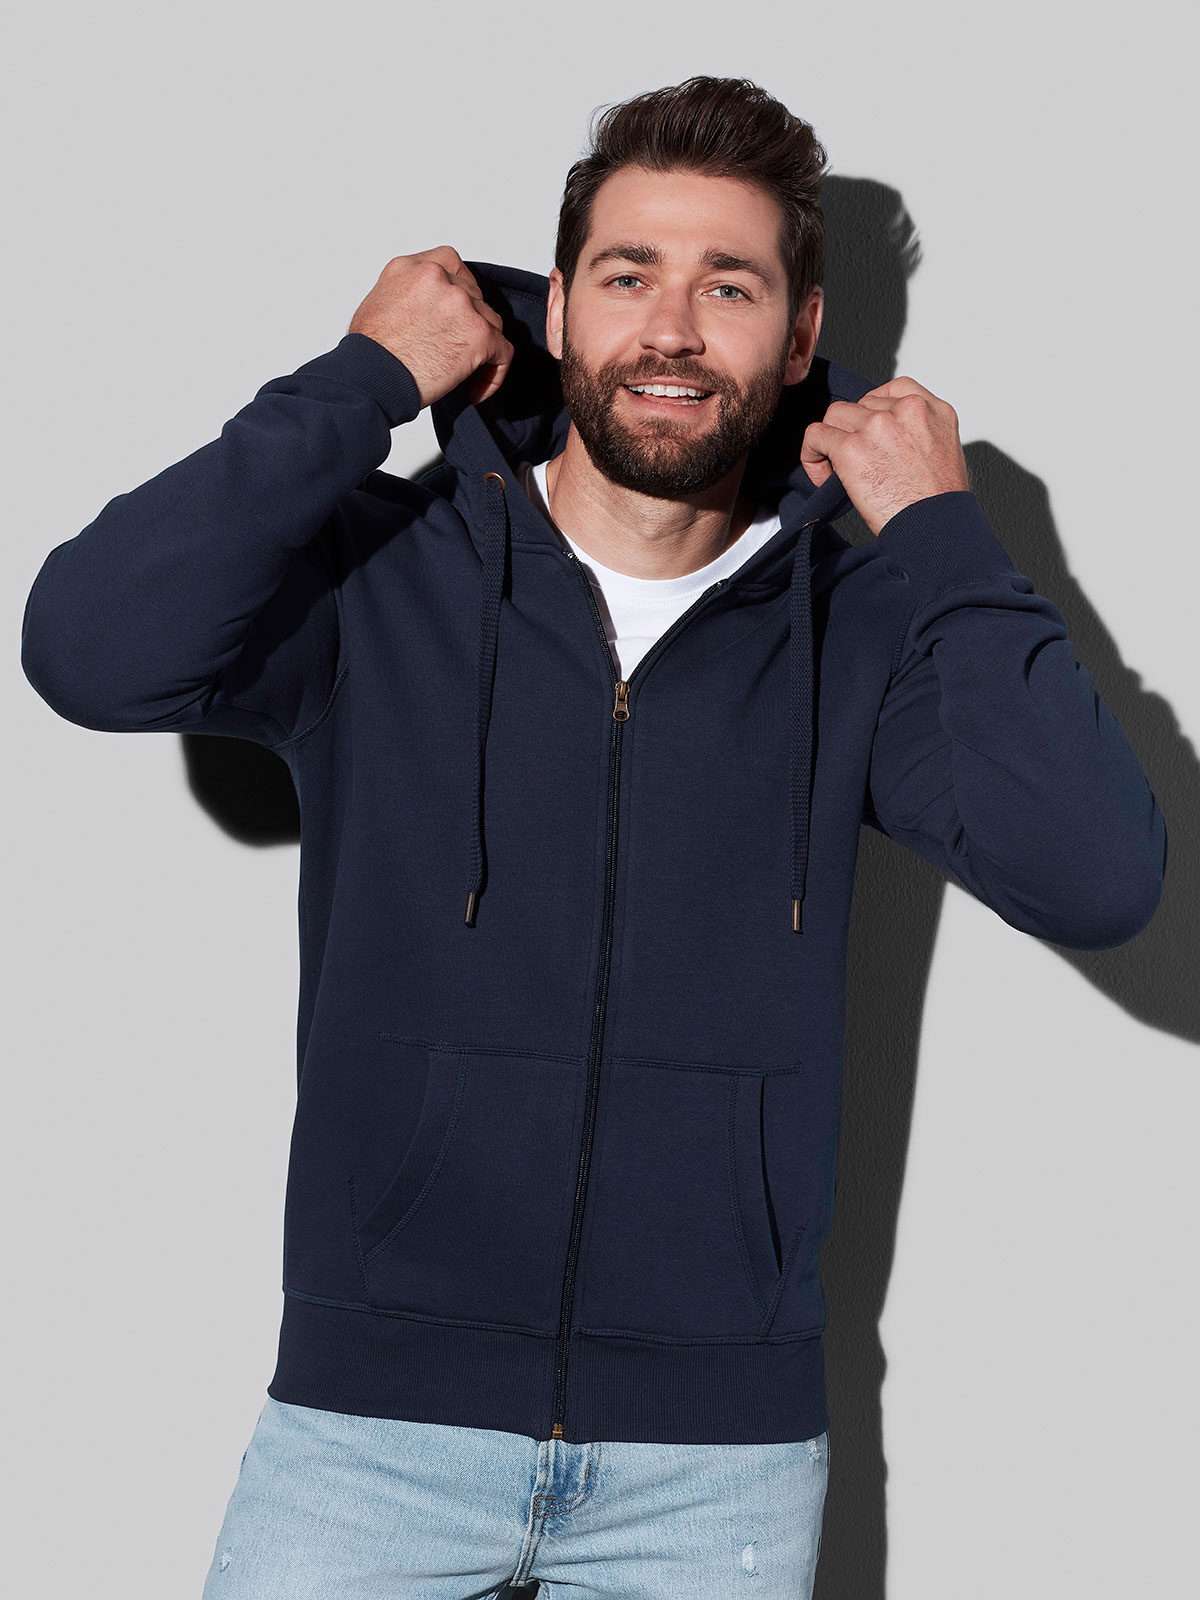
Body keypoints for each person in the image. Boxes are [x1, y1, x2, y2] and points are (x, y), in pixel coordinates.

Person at [20, 75, 1166, 1600]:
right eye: (628, 277)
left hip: (715, 1475)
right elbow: (88, 650)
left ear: (802, 338)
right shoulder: (384, 578)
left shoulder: (862, 631)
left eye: (729, 286)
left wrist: (946, 534)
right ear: (557, 308)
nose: (672, 329)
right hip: (368, 1437)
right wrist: (364, 379)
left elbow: (1100, 876)